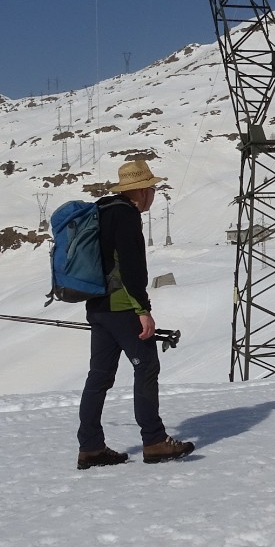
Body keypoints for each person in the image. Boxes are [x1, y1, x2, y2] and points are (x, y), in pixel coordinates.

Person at [76, 158, 195, 469]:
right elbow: (131, 269)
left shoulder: (100, 210)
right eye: (152, 188)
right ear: (141, 191)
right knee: (147, 367)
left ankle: (90, 447)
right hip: (121, 306)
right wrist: (143, 311)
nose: (153, 194)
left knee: (98, 377)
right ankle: (155, 441)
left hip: (97, 305)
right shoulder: (125, 216)